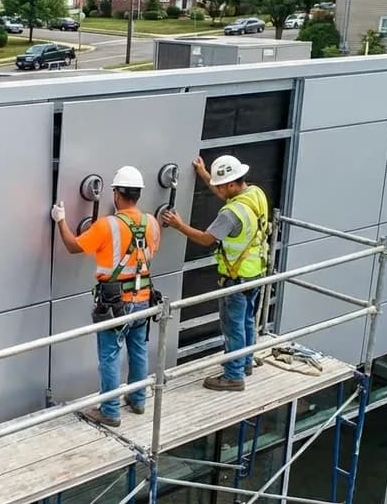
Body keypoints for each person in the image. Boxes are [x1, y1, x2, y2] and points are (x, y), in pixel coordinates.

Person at [51, 166, 160, 427]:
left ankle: (110, 411)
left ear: (116, 194)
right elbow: (152, 250)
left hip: (113, 303)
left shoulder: (107, 226)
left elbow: (73, 246)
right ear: (138, 194)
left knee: (110, 355)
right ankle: (139, 399)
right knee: (138, 349)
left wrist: (60, 220)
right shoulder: (152, 223)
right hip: (143, 298)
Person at [161, 155, 270, 393]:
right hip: (256, 272)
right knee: (248, 320)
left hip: (236, 278)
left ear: (231, 185)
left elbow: (206, 239)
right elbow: (224, 193)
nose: (217, 189)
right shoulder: (255, 194)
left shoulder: (230, 214)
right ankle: (245, 363)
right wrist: (203, 173)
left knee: (233, 327)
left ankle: (233, 376)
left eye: (221, 185)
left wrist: (179, 225)